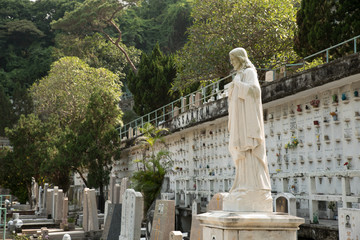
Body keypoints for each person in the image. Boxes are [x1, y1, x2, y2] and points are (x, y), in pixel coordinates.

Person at [224, 47, 272, 212]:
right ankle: (242, 186)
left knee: (249, 152)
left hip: (247, 122)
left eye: (233, 60)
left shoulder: (250, 72)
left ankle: (253, 187)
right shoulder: (239, 75)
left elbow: (255, 91)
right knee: (240, 154)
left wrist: (238, 84)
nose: (232, 63)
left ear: (240, 58)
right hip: (240, 121)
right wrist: (232, 89)